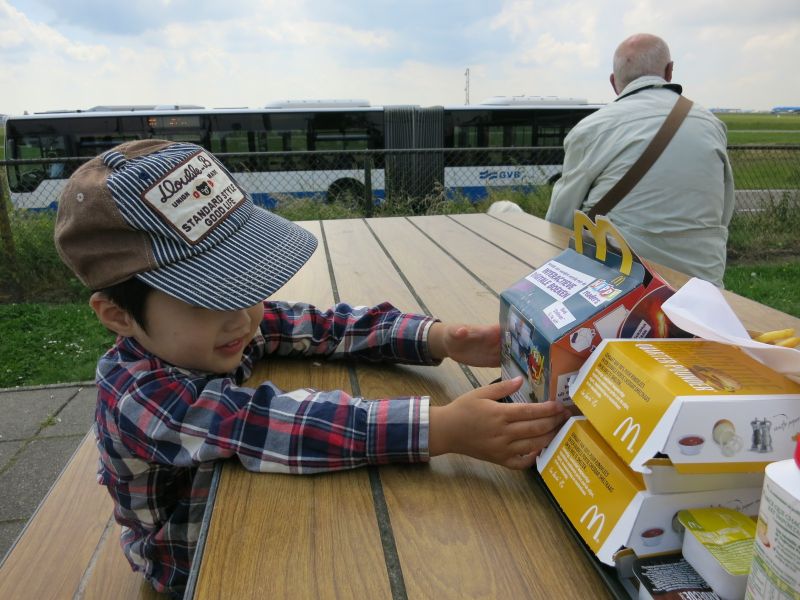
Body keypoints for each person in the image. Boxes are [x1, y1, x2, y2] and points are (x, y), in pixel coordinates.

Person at [53, 139, 569, 598]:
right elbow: (274, 423)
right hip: (192, 557)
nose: (244, 314)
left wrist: (434, 337)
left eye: (249, 283)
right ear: (119, 315)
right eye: (209, 297)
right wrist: (441, 428)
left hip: (244, 503)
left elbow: (314, 324)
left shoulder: (211, 335)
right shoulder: (142, 396)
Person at [545, 33, 735, 287]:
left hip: (620, 288)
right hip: (703, 286)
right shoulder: (710, 124)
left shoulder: (592, 128)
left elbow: (561, 218)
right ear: (669, 72)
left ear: (614, 82)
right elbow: (724, 209)